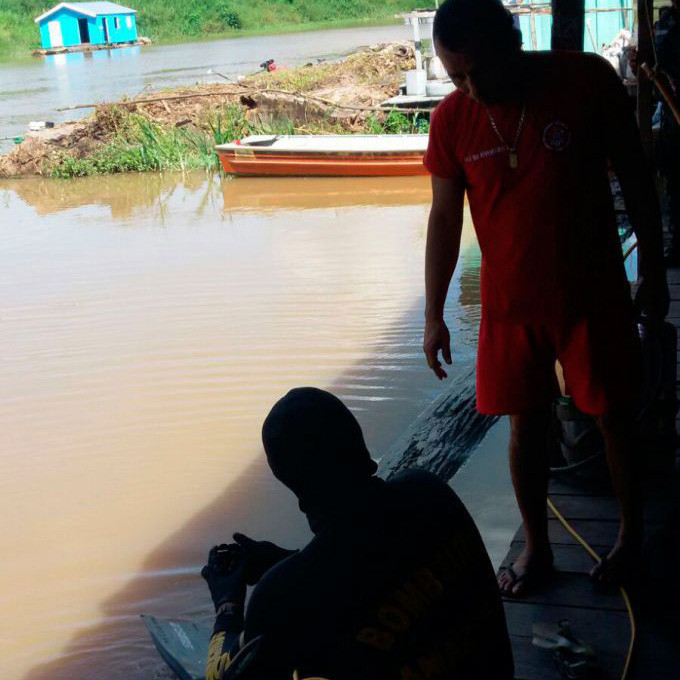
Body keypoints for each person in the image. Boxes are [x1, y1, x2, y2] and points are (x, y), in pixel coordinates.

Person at [422, 0, 669, 595]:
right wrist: (433, 314)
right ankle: (536, 548)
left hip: (594, 294)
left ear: (513, 44)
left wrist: (655, 268)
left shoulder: (584, 78)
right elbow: (443, 219)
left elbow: (636, 175)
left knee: (614, 418)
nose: (472, 89)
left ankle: (631, 538)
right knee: (523, 426)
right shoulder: (451, 120)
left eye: (480, 71)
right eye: (456, 77)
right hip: (508, 306)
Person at [201, 387, 514, 680]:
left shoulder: (280, 599)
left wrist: (227, 603)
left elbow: (229, 675)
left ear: (285, 479)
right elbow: (377, 567)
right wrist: (284, 562)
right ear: (359, 443)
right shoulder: (428, 492)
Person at [655, 1, 680, 264]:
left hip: (673, 109)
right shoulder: (666, 28)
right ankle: (676, 245)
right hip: (673, 113)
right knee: (674, 181)